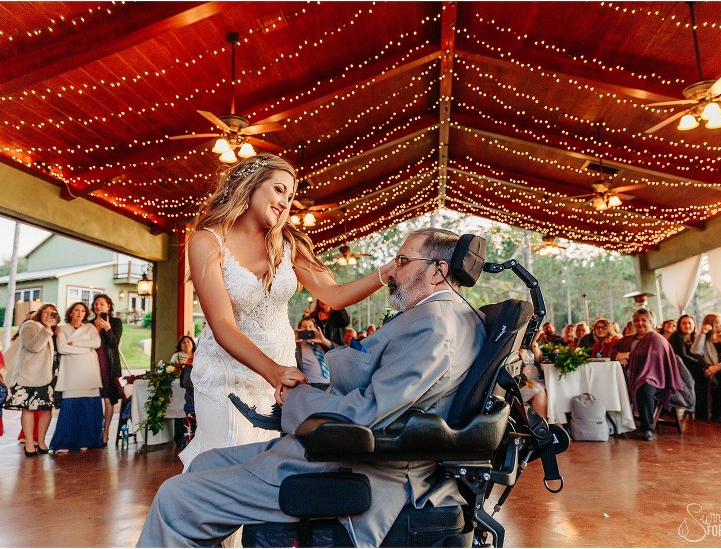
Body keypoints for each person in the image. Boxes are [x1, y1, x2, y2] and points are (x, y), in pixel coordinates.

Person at [137, 227, 487, 548]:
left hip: (356, 466)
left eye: (403, 260)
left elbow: (367, 415)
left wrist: (297, 398)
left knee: (174, 497)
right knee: (205, 463)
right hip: (350, 447)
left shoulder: (433, 325)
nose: (393, 271)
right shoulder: (447, 316)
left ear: (438, 271)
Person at [179, 154, 394, 470]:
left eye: (290, 196)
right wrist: (274, 371)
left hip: (278, 377)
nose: (285, 202)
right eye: (279, 190)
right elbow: (222, 324)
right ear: (251, 186)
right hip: (227, 374)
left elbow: (334, 296)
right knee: (226, 465)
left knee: (266, 466)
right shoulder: (207, 241)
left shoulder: (289, 244)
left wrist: (385, 273)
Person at [612, 308, 683, 440]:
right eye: (636, 320)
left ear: (652, 322)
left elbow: (651, 358)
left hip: (654, 378)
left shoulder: (657, 340)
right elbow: (613, 351)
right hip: (627, 377)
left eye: (644, 320)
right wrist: (619, 356)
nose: (639, 323)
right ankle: (613, 424)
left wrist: (628, 356)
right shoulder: (627, 339)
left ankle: (647, 427)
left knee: (645, 389)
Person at [3, 304, 61, 456]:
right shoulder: (29, 326)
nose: (49, 315)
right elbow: (33, 347)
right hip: (29, 374)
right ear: (39, 314)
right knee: (28, 408)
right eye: (45, 312)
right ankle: (29, 443)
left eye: (52, 313)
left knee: (47, 409)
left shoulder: (55, 330)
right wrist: (46, 329)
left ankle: (41, 441)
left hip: (49, 374)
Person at [50, 302, 103, 453]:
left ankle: (87, 440)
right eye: (76, 310)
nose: (80, 313)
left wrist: (74, 343)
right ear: (70, 312)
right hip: (71, 373)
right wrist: (86, 349)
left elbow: (96, 343)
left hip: (89, 371)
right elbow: (62, 348)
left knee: (88, 407)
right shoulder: (63, 329)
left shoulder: (90, 327)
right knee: (70, 408)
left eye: (83, 311)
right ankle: (65, 442)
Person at [690, 312, 721, 423]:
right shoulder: (705, 340)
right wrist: (702, 333)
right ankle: (719, 414)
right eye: (717, 322)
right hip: (713, 372)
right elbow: (695, 351)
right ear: (709, 324)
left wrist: (718, 367)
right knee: (706, 378)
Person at [90, 294, 123, 445]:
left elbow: (114, 344)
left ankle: (106, 431)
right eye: (96, 303)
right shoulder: (89, 324)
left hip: (108, 364)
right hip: (91, 363)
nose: (98, 306)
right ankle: (93, 430)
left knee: (108, 398)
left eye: (102, 303)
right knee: (93, 398)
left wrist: (108, 329)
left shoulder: (115, 322)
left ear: (109, 306)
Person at [668, 314, 707, 417]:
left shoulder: (696, 337)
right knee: (700, 375)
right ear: (679, 325)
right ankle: (695, 409)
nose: (687, 325)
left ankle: (700, 411)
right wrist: (700, 364)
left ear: (694, 325)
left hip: (691, 366)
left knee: (703, 375)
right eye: (684, 323)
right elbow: (682, 356)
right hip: (678, 368)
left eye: (689, 323)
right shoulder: (676, 336)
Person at [294, 318, 334, 390]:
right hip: (312, 387)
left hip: (332, 386)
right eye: (304, 326)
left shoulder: (322, 345)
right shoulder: (296, 346)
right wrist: (292, 341)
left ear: (315, 329)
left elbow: (341, 353)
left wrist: (323, 340)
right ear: (299, 329)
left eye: (310, 326)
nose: (307, 329)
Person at [518, 330, 547, 418]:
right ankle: (542, 421)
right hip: (524, 382)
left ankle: (553, 420)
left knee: (551, 388)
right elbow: (519, 359)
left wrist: (534, 343)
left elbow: (539, 359)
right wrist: (525, 345)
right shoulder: (517, 347)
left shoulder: (532, 347)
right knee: (539, 392)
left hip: (537, 379)